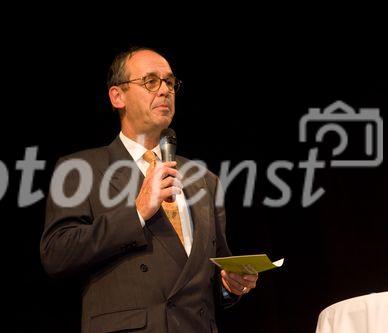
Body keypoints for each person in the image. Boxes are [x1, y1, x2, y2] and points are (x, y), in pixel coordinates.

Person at [40, 47, 258, 333]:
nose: (165, 90)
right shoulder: (80, 168)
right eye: (151, 81)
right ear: (117, 96)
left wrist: (230, 285)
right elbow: (57, 254)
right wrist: (137, 213)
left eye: (170, 82)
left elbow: (207, 275)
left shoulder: (205, 180)